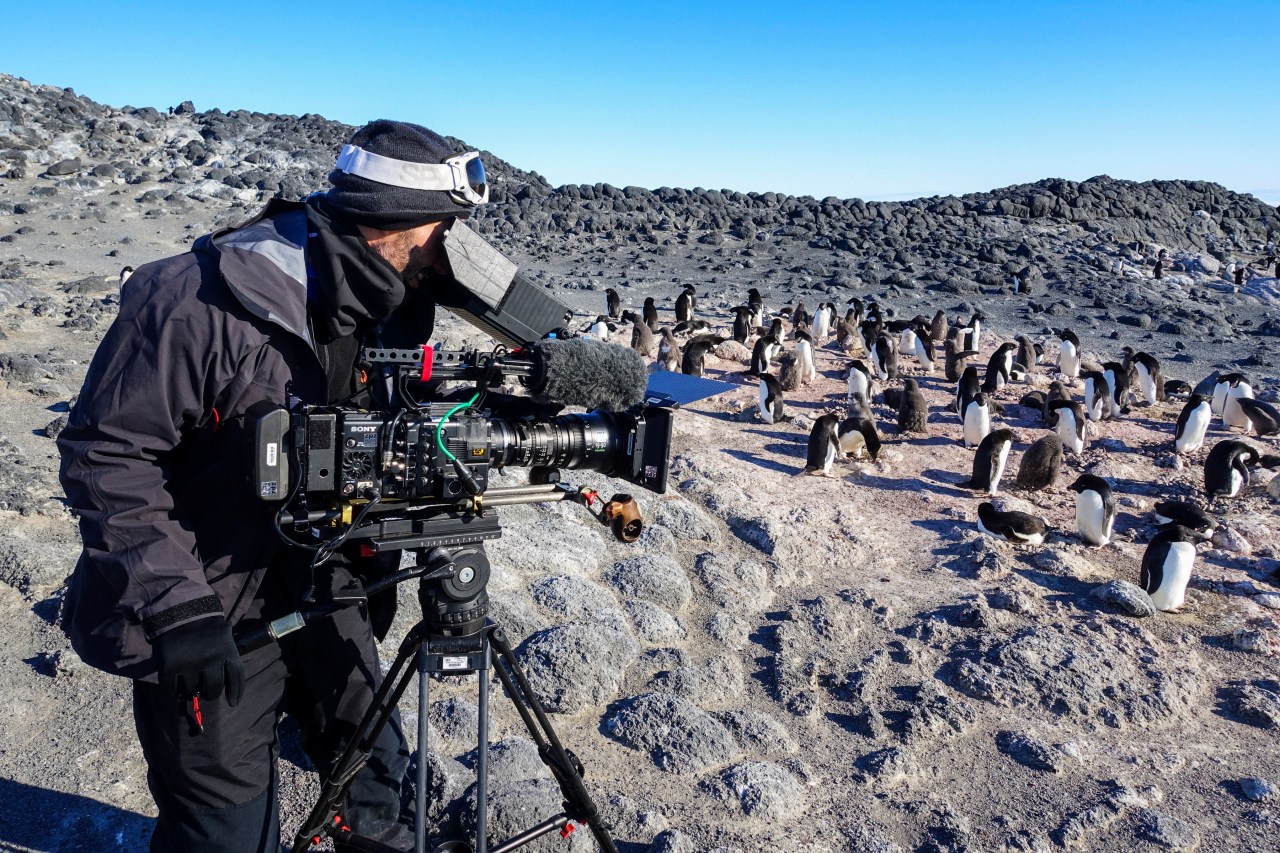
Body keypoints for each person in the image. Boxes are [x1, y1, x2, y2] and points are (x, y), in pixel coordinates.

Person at [58, 119, 490, 852]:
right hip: (210, 605)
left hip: (329, 587)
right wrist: (176, 607)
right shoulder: (193, 299)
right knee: (224, 831)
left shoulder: (392, 309)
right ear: (390, 223)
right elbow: (106, 454)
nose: (448, 250)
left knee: (379, 783)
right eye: (442, 229)